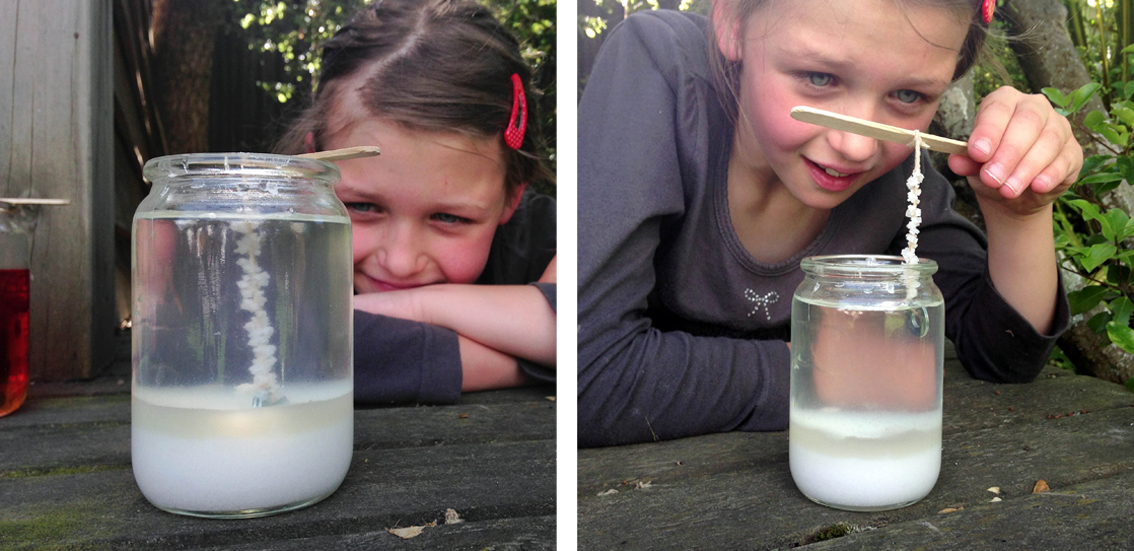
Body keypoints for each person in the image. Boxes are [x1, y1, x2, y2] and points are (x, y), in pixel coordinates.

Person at [577, 0, 1078, 446]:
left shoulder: (900, 171)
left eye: (907, 96)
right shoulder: (660, 69)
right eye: (819, 79)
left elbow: (1002, 355)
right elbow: (591, 374)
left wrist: (1020, 214)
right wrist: (828, 368)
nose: (858, 145)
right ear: (731, 22)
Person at [276, 0, 556, 404]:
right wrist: (527, 360)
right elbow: (286, 351)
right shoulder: (265, 242)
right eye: (363, 207)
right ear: (311, 176)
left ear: (512, 195)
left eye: (448, 217)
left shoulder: (561, 235)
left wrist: (419, 306)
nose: (401, 262)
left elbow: (589, 330)